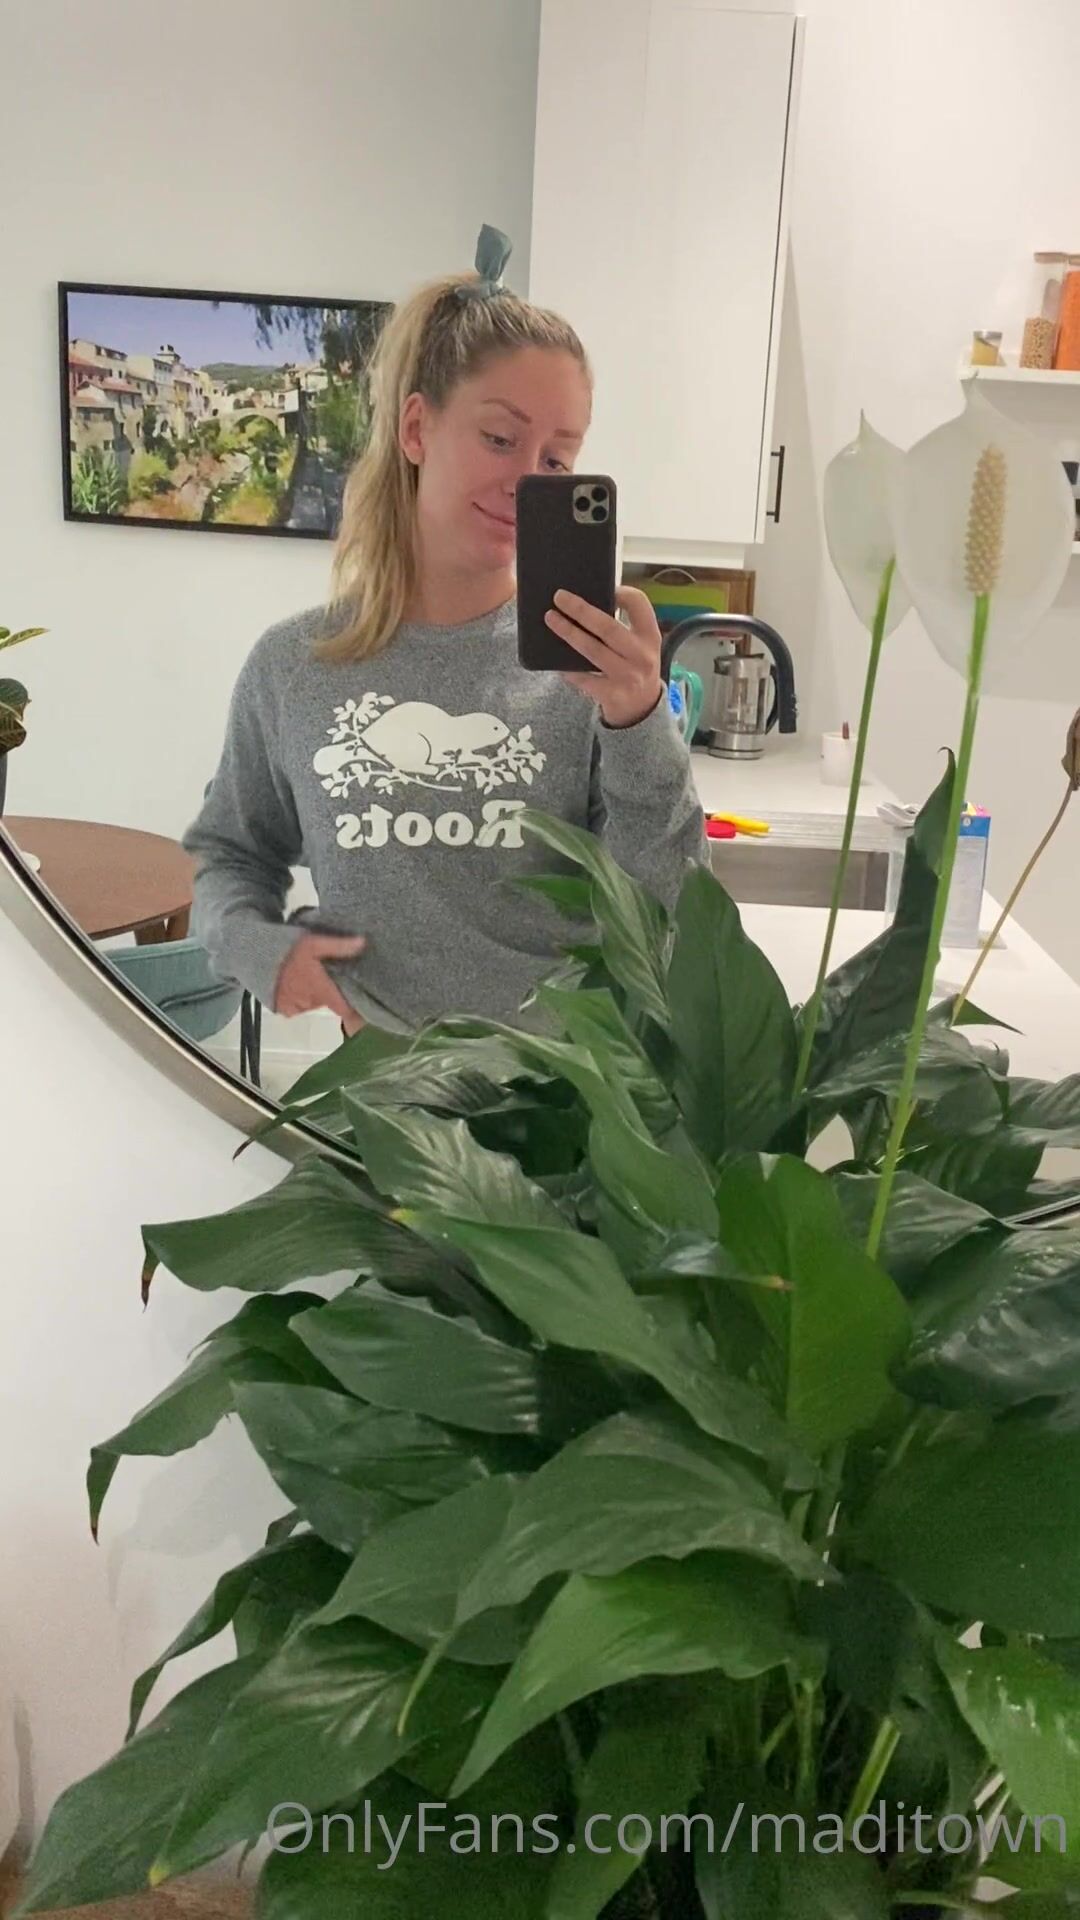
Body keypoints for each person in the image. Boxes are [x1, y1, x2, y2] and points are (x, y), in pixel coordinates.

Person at [183, 225, 707, 1039]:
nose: (527, 480)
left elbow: (671, 919)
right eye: (500, 439)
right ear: (417, 429)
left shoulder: (587, 675)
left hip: (564, 1097)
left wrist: (641, 722)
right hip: (375, 1097)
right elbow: (229, 854)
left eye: (557, 460)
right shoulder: (292, 667)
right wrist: (257, 947)